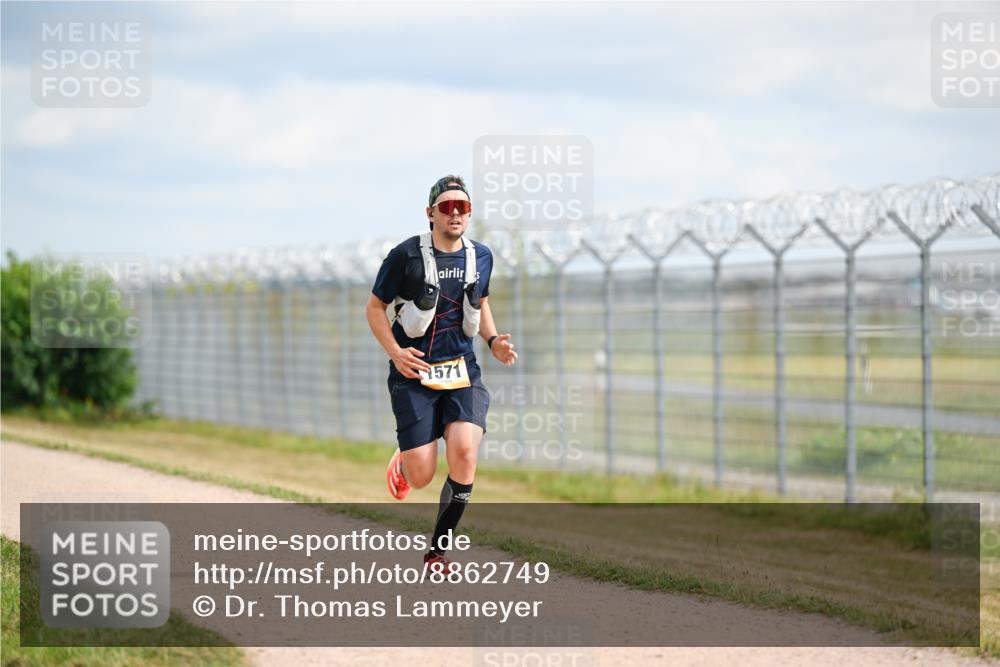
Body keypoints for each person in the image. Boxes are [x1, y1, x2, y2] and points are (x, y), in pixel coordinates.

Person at [365, 175, 518, 573]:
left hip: (462, 370)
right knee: (422, 476)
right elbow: (374, 308)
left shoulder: (480, 256)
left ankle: (438, 551)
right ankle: (404, 460)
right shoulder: (406, 256)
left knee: (465, 452)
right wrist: (395, 352)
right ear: (430, 213)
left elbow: (480, 302)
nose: (455, 213)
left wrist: (494, 340)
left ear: (469, 214)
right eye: (446, 207)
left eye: (462, 207)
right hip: (413, 371)